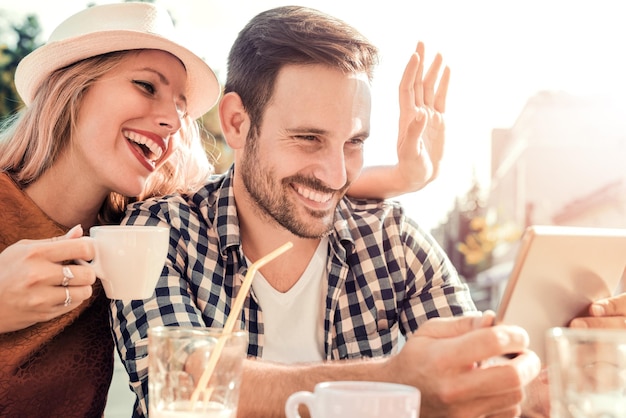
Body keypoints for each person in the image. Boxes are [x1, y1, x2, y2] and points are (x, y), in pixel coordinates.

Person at [0, 3, 454, 417]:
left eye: (181, 104)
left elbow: (270, 184)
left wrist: (399, 178)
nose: (174, 119)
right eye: (145, 85)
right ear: (72, 87)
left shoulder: (127, 236)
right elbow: (181, 384)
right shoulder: (155, 232)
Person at [112, 6, 542, 418]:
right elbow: (177, 390)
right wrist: (389, 381)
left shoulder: (392, 239)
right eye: (308, 138)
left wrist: (535, 380)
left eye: (354, 142)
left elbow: (477, 382)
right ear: (237, 122)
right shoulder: (159, 235)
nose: (337, 175)